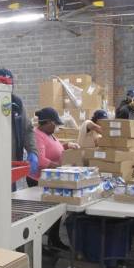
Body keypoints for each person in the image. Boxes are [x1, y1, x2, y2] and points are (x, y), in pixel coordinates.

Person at [27, 107, 79, 250]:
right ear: (48, 122)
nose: (56, 127)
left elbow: (54, 149)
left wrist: (67, 145)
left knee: (55, 212)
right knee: (42, 213)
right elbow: (41, 160)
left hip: (52, 179)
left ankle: (54, 240)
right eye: (55, 124)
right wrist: (61, 168)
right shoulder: (37, 135)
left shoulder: (49, 134)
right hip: (38, 179)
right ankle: (39, 244)